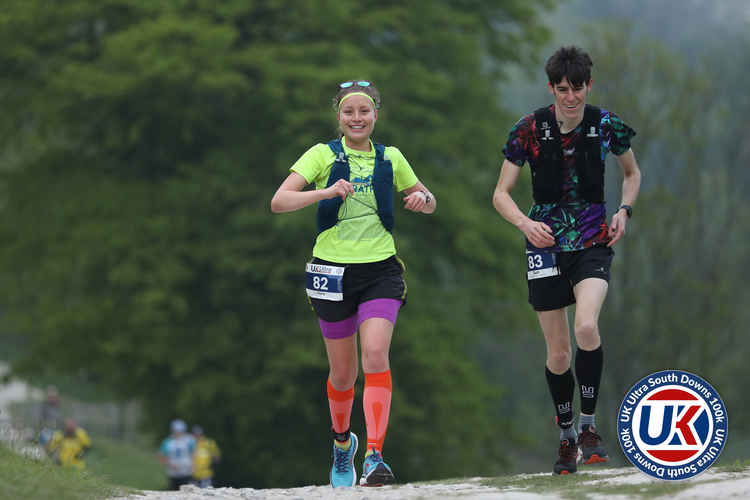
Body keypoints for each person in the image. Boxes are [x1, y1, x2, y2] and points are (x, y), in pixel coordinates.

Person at [271, 80, 436, 487]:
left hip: (380, 270)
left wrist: (422, 200)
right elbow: (279, 201)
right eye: (349, 112)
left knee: (376, 356)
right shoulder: (321, 155)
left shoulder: (391, 157)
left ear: (376, 115)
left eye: (364, 111)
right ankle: (343, 443)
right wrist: (324, 192)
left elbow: (426, 199)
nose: (357, 119)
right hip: (331, 272)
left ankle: (375, 456)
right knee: (343, 373)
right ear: (339, 117)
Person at [492, 46, 641, 475]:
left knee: (587, 326)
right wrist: (524, 224)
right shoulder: (529, 128)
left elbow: (632, 173)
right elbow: (500, 194)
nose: (571, 97)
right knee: (558, 353)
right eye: (563, 90)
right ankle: (567, 435)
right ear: (551, 88)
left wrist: (624, 212)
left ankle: (591, 427)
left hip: (593, 240)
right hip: (545, 245)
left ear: (587, 86)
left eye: (577, 89)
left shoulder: (605, 124)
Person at [158, 419, 196, 490]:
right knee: (174, 491)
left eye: (180, 431)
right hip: (173, 473)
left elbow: (193, 454)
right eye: (176, 431)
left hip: (187, 472)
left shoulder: (190, 440)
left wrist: (193, 466)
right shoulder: (167, 442)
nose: (178, 433)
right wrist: (169, 464)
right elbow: (161, 455)